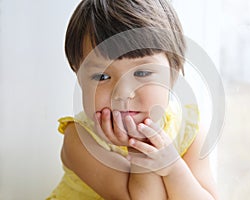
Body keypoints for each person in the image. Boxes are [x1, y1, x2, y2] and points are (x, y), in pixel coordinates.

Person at [47, 0, 219, 199]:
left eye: (143, 73)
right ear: (79, 78)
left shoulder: (189, 131)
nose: (123, 93)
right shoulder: (80, 138)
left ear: (173, 74)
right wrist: (138, 146)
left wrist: (173, 168)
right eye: (102, 77)